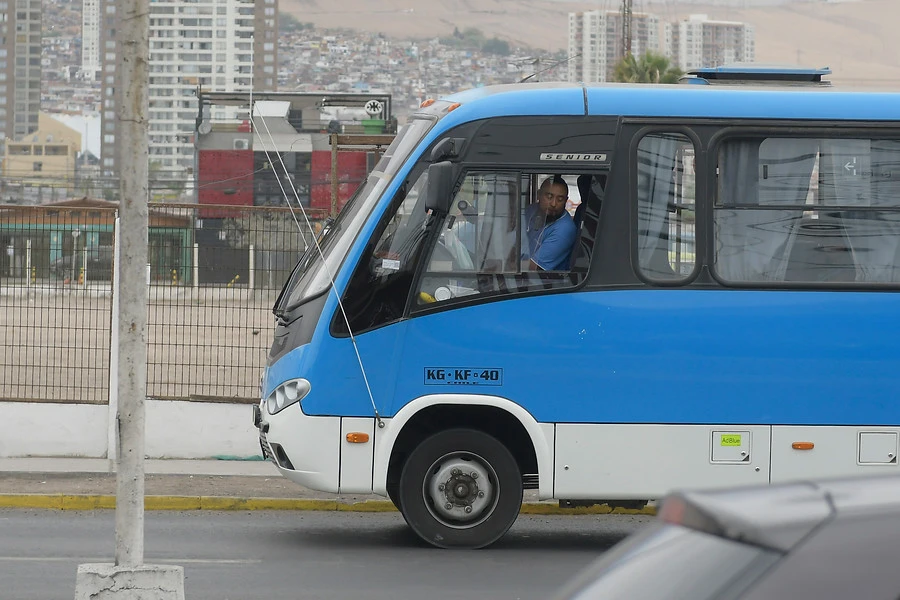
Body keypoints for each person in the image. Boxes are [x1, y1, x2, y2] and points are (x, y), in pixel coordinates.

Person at [523, 175, 577, 271]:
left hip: (544, 281)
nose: (553, 204)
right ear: (539, 195)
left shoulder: (565, 229)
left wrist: (501, 265)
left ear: (566, 200)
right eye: (549, 197)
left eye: (560, 199)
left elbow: (533, 268)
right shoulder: (531, 210)